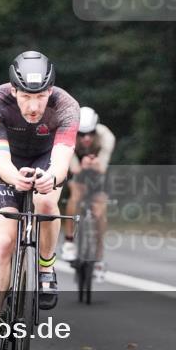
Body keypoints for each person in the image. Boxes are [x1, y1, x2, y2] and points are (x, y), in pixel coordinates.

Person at [0, 51, 79, 350]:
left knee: (46, 202)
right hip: (8, 162)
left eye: (42, 96)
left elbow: (62, 160)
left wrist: (53, 178)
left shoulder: (67, 106)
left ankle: (46, 268)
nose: (34, 106)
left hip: (47, 159)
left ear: (51, 91)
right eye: (26, 97)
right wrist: (13, 178)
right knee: (4, 241)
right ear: (13, 91)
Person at [62, 106, 116, 281]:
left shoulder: (107, 136)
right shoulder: (68, 136)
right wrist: (82, 165)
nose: (86, 138)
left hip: (98, 173)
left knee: (100, 211)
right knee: (76, 196)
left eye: (90, 133)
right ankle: (69, 242)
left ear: (96, 129)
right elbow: (74, 168)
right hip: (77, 170)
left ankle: (98, 258)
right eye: (82, 134)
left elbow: (102, 168)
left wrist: (94, 164)